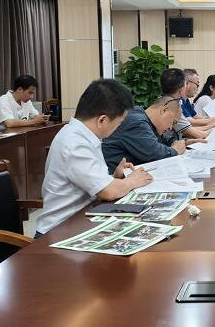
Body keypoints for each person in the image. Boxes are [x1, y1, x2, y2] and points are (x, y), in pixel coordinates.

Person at [36, 79, 153, 236]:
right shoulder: (75, 143)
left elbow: (91, 183)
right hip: (58, 231)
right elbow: (108, 192)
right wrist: (132, 180)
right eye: (119, 123)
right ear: (102, 120)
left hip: (81, 220)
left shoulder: (81, 134)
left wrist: (115, 177)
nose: (118, 127)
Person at [102, 95, 187, 173]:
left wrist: (181, 142)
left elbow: (162, 139)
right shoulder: (137, 121)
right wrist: (175, 151)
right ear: (164, 110)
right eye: (173, 122)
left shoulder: (141, 116)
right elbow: (154, 152)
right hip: (113, 178)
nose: (171, 128)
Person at [160, 68, 215, 141]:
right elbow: (192, 130)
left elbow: (191, 126)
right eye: (197, 84)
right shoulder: (173, 106)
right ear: (182, 86)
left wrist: (214, 125)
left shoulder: (163, 101)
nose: (197, 88)